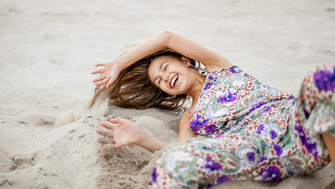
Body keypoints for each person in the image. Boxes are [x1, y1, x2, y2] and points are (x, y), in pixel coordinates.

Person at [91, 31, 335, 188]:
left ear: (185, 60)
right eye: (159, 81)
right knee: (175, 161)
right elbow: (181, 150)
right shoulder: (190, 117)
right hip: (258, 150)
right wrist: (144, 139)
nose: (165, 77)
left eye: (165, 67)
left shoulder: (220, 68)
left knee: (322, 77)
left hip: (300, 124)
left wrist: (119, 64)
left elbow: (166, 37)